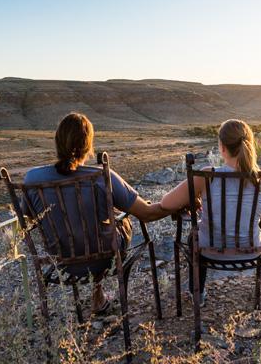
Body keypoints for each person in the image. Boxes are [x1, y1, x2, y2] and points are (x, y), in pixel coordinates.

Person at [22, 112, 168, 314]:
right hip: (104, 258)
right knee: (120, 221)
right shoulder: (101, 176)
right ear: (88, 145)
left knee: (81, 228)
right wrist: (178, 203)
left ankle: (96, 297)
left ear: (57, 142)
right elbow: (147, 214)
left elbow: (29, 219)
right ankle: (97, 296)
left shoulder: (32, 179)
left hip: (61, 260)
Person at [160, 119, 261, 303]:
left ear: (222, 148)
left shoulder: (207, 176)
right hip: (252, 250)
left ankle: (197, 293)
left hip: (210, 251)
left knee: (194, 237)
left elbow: (166, 203)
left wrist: (197, 199)